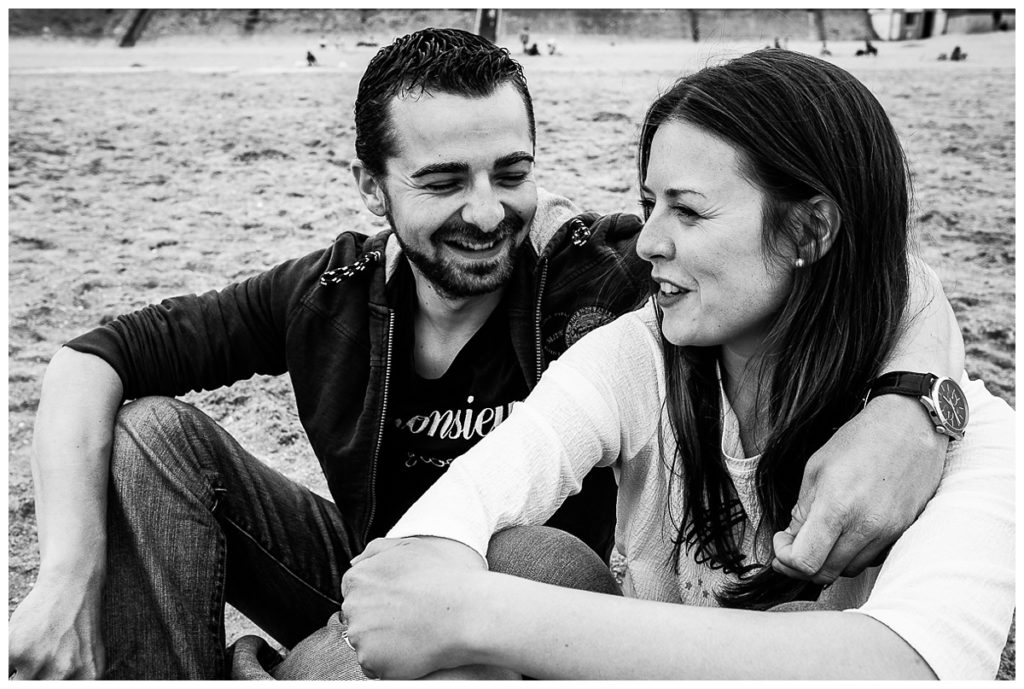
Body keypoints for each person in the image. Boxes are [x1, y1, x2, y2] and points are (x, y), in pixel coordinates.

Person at [7, 30, 962, 680]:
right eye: (441, 180)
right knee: (150, 434)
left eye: (511, 172)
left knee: (523, 554)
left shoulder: (606, 273)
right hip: (368, 567)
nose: (485, 211)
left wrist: (915, 404)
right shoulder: (325, 294)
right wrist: (64, 579)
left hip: (539, 609)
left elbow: (856, 261)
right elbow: (93, 356)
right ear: (371, 185)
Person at [339, 49, 1015, 680]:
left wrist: (479, 615)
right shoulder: (638, 356)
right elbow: (470, 497)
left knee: (803, 622)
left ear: (809, 230)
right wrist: (440, 572)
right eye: (647, 205)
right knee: (525, 559)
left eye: (688, 211)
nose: (649, 243)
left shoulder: (969, 438)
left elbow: (912, 666)